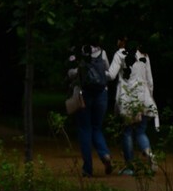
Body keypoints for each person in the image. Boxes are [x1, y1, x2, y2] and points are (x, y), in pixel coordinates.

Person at [109, 41, 158, 174]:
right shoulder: (144, 56)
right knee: (141, 132)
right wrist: (149, 98)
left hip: (127, 100)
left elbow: (111, 75)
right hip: (144, 98)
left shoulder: (120, 54)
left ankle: (130, 167)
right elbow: (150, 81)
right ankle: (150, 156)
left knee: (127, 132)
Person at [68, 43, 114, 177]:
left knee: (85, 129)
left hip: (84, 94)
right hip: (101, 93)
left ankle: (87, 168)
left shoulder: (77, 50)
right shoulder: (102, 51)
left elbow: (71, 73)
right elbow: (109, 74)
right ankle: (105, 154)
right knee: (96, 127)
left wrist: (80, 72)